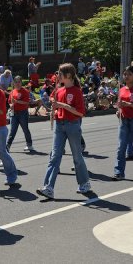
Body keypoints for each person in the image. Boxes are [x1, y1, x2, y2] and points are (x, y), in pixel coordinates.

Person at [36, 63, 90, 199]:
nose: (58, 76)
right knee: (54, 156)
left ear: (69, 75)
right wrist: (54, 109)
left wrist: (61, 105)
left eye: (60, 74)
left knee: (77, 156)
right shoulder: (59, 90)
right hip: (60, 125)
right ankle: (48, 187)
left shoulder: (77, 91)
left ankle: (84, 183)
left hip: (72, 124)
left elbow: (80, 113)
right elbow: (55, 103)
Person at [6, 76, 34, 152]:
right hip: (14, 113)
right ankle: (7, 146)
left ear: (21, 83)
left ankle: (29, 145)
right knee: (12, 131)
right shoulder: (12, 92)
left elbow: (26, 102)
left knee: (25, 129)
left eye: (19, 82)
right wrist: (11, 105)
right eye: (16, 82)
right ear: (14, 83)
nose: (17, 84)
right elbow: (9, 102)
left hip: (23, 113)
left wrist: (17, 101)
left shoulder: (25, 91)